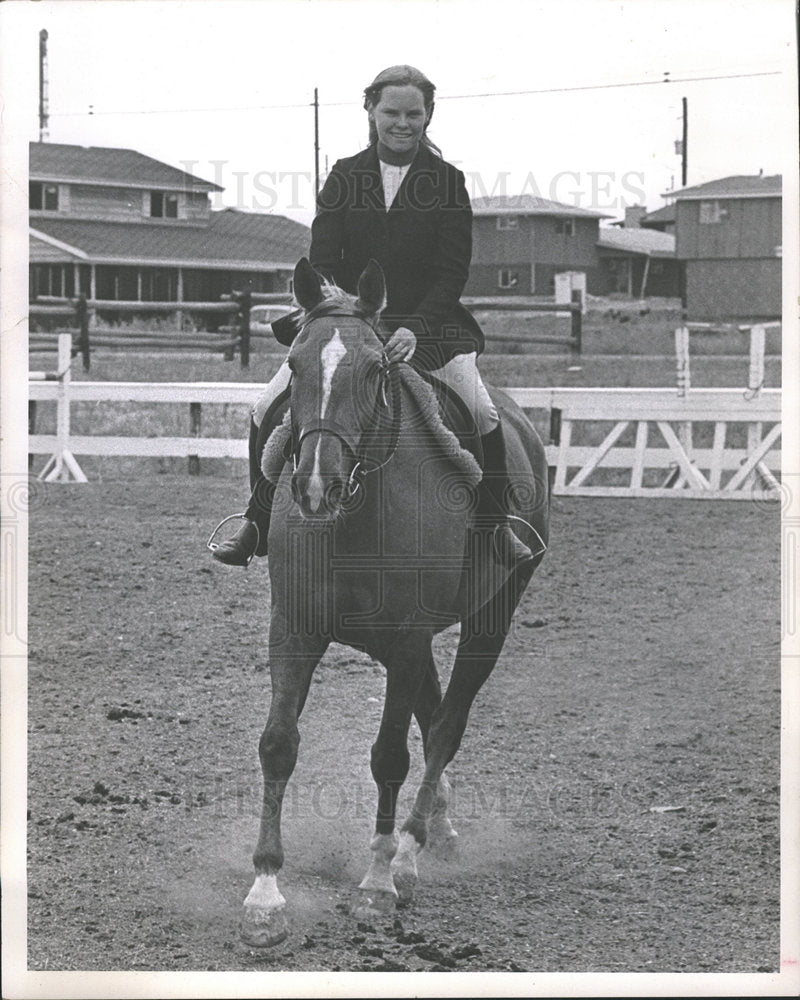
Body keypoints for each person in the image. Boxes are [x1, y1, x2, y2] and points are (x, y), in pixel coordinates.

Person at [211, 64, 533, 569]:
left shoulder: (448, 182)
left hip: (426, 327)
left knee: (482, 410)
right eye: (391, 112)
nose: (402, 123)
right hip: (348, 320)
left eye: (413, 113)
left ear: (427, 117)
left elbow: (452, 272)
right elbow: (322, 256)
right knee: (265, 405)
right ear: (370, 111)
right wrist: (334, 303)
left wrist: (414, 327)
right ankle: (256, 522)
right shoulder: (344, 174)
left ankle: (493, 525)